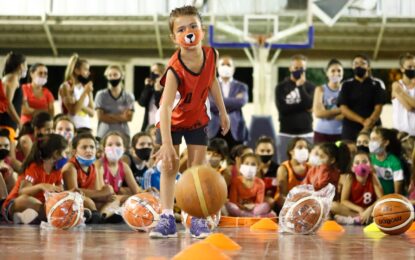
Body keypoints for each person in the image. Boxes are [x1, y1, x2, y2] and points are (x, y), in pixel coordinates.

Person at [149, 5, 230, 239]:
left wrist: (222, 112)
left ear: (202, 30)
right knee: (169, 166)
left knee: (197, 168)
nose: (189, 32)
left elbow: (212, 80)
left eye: (193, 26)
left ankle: (196, 218)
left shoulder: (212, 54)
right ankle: (166, 218)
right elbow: (163, 108)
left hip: (196, 119)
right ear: (174, 37)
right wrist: (165, 143)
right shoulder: (174, 70)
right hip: (170, 122)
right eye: (182, 29)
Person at [1, 134, 67, 224]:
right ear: (55, 153)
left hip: (40, 205)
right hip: (14, 204)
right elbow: (22, 192)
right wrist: (41, 186)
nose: (66, 156)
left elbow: (60, 191)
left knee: (57, 203)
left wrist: (70, 193)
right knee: (28, 200)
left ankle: (26, 217)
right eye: (65, 152)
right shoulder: (34, 167)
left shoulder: (57, 170)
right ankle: (50, 216)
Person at [62, 133, 117, 224]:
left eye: (92, 147)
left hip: (88, 199)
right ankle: (96, 216)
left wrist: (104, 197)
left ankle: (102, 216)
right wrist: (102, 193)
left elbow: (95, 192)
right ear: (74, 152)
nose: (89, 150)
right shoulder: (70, 167)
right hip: (71, 203)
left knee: (114, 198)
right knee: (88, 201)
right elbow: (75, 193)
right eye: (84, 147)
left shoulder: (93, 167)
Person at [275, 54, 315, 164]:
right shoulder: (281, 87)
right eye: (296, 68)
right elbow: (283, 109)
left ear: (305, 69)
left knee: (307, 165)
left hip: (306, 133)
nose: (299, 70)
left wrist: (300, 87)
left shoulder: (310, 87)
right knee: (284, 165)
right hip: (286, 133)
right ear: (290, 68)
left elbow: (310, 104)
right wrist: (303, 107)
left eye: (301, 68)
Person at [338, 54, 386, 141]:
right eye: (356, 63)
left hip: (373, 126)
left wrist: (370, 122)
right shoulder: (346, 85)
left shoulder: (377, 84)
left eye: (362, 63)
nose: (359, 65)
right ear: (352, 67)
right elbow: (343, 108)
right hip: (351, 128)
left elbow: (379, 107)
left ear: (368, 67)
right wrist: (363, 121)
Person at [207, 55, 249, 150]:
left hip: (235, 128)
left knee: (234, 159)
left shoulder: (241, 86)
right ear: (217, 67)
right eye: (223, 64)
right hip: (215, 127)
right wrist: (233, 101)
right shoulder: (209, 85)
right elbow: (210, 104)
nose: (225, 67)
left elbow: (241, 102)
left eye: (228, 65)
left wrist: (217, 101)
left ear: (234, 69)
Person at [333, 150, 383, 225]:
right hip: (354, 210)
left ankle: (355, 220)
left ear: (370, 166)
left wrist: (369, 209)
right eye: (357, 163)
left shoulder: (373, 177)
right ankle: (362, 218)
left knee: (385, 208)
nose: (361, 165)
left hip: (370, 210)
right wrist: (359, 209)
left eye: (364, 162)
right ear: (353, 168)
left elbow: (381, 198)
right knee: (333, 205)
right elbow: (344, 200)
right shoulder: (350, 178)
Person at [225, 153, 276, 218]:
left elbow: (259, 203)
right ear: (241, 166)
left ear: (258, 168)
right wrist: (242, 207)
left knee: (266, 206)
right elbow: (233, 201)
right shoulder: (236, 181)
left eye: (253, 164)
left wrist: (253, 206)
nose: (249, 167)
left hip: (253, 209)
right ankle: (256, 217)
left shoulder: (260, 183)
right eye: (246, 164)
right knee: (229, 205)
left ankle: (247, 216)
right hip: (239, 208)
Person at [95, 65, 135, 139]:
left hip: (123, 134)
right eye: (110, 75)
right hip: (103, 134)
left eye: (115, 75)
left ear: (122, 76)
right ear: (107, 77)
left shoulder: (128, 96)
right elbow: (100, 117)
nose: (112, 77)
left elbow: (129, 118)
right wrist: (121, 117)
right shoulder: (101, 95)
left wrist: (108, 115)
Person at [59, 53, 94, 130]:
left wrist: (78, 104)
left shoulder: (86, 87)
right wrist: (85, 93)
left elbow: (92, 113)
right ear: (77, 71)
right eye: (86, 69)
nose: (88, 72)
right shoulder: (66, 86)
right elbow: (73, 111)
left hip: (86, 127)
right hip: (71, 128)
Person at [313, 59, 343, 143]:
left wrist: (326, 113)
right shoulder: (320, 89)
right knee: (322, 155)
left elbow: (346, 115)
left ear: (343, 73)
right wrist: (341, 110)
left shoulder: (346, 90)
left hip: (339, 135)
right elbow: (318, 113)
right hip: (321, 134)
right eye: (333, 71)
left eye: (339, 71)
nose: (336, 73)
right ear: (327, 73)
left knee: (339, 155)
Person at [274, 137, 310, 208]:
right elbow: (283, 195)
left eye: (306, 148)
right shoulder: (283, 168)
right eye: (300, 147)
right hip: (286, 202)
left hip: (305, 202)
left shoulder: (310, 167)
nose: (304, 150)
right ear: (291, 151)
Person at [0, 52, 27, 140]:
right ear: (20, 66)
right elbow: (7, 103)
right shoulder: (13, 78)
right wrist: (19, 122)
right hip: (6, 124)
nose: (26, 68)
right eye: (25, 65)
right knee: (9, 153)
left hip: (6, 124)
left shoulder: (8, 78)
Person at [369, 127, 404, 195]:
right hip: (373, 197)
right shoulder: (369, 159)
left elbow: (397, 192)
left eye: (374, 139)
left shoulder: (395, 162)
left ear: (385, 142)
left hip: (389, 198)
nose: (371, 143)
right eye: (370, 139)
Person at [391, 53, 415, 136]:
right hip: (399, 132)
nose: (413, 69)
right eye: (409, 67)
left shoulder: (399, 88)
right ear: (402, 69)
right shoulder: (396, 85)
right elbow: (409, 107)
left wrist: (402, 93)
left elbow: (413, 106)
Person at [138, 63, 164, 131]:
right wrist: (147, 87)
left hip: (162, 127)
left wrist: (158, 91)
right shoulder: (151, 88)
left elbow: (160, 107)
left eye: (155, 70)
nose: (153, 73)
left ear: (162, 73)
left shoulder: (168, 89)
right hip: (148, 127)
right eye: (152, 71)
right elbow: (142, 103)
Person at [255, 136, 279, 202]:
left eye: (268, 151)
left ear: (273, 151)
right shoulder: (251, 168)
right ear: (256, 151)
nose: (265, 153)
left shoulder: (279, 169)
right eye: (262, 151)